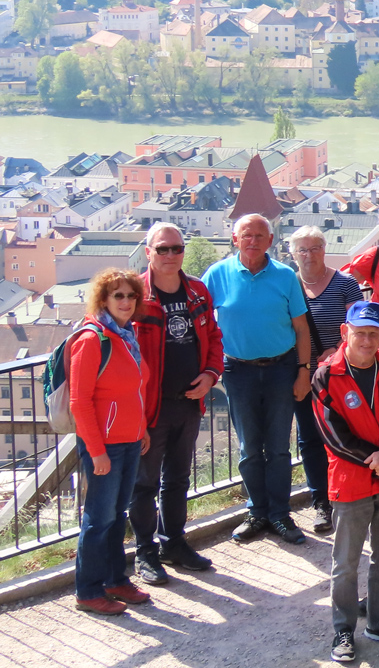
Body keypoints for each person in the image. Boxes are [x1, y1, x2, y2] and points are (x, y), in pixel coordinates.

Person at [314, 301, 379, 663]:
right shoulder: (326, 375)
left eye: (374, 332)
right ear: (346, 332)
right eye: (360, 332)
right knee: (345, 562)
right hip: (352, 482)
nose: (367, 339)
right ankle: (343, 629)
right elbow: (334, 436)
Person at [203, 213, 313, 545]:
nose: (253, 240)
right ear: (235, 239)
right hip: (239, 372)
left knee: (279, 447)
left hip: (282, 369)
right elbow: (202, 325)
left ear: (270, 240)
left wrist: (303, 371)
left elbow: (301, 328)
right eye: (246, 235)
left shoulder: (284, 276)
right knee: (250, 448)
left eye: (259, 235)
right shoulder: (217, 275)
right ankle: (256, 512)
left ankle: (280, 514)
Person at [130, 224, 223, 586]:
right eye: (163, 249)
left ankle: (174, 543)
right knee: (144, 484)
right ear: (148, 251)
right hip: (150, 408)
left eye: (177, 248)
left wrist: (212, 374)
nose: (171, 256)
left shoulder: (197, 290)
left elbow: (214, 336)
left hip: (188, 404)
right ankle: (144, 551)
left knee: (178, 479)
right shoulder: (135, 294)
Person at [71, 268, 151, 616]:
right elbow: (79, 402)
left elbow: (134, 388)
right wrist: (96, 450)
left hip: (130, 440)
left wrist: (142, 428)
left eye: (131, 295)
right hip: (105, 446)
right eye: (118, 295)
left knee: (118, 516)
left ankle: (116, 579)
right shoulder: (93, 339)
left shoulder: (127, 335)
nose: (126, 302)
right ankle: (88, 590)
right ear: (103, 299)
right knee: (99, 518)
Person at [290, 225, 364, 536]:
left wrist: (337, 350)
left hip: (340, 374)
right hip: (304, 374)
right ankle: (321, 500)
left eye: (315, 248)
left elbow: (358, 326)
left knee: (345, 434)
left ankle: (349, 494)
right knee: (309, 439)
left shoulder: (345, 284)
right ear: (294, 254)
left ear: (324, 249)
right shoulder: (289, 284)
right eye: (302, 250)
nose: (309, 255)